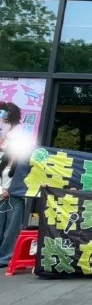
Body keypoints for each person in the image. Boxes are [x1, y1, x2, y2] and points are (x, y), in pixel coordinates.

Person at [0, 102, 23, 269]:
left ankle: (5, 258)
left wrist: (10, 190)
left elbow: (24, 178)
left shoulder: (22, 161)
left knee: (11, 229)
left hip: (15, 197)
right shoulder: (2, 159)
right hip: (1, 196)